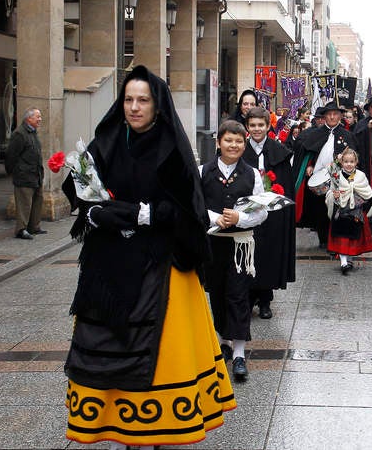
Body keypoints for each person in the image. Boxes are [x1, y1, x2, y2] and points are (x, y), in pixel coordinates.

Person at [62, 65, 235, 448]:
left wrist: (147, 214)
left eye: (143, 100)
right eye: (128, 99)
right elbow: (77, 188)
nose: (134, 107)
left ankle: (156, 433)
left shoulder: (171, 149)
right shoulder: (105, 140)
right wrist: (93, 211)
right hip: (108, 268)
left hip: (161, 267)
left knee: (160, 358)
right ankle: (122, 430)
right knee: (106, 349)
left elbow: (189, 210)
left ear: (157, 106)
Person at [200, 119, 268, 383]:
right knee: (216, 294)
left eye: (239, 141)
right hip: (212, 244)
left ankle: (239, 354)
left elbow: (261, 212)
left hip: (241, 246)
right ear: (219, 142)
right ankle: (223, 341)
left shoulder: (252, 174)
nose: (234, 145)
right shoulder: (202, 170)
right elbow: (194, 205)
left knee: (238, 297)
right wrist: (214, 217)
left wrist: (240, 218)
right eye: (228, 140)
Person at [242, 107, 296, 319]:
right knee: (249, 252)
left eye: (261, 125)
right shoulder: (240, 150)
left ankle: (265, 300)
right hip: (247, 211)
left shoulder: (279, 152)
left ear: (267, 126)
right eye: (253, 125)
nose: (257, 129)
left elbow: (286, 184)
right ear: (247, 127)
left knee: (269, 254)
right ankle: (248, 296)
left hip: (272, 213)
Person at [292, 101, 358, 248]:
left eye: (335, 114)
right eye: (329, 114)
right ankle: (323, 240)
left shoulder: (347, 135)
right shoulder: (315, 134)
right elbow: (308, 153)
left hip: (339, 180)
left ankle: (335, 240)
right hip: (318, 179)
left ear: (340, 116)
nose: (332, 117)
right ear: (324, 117)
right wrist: (309, 165)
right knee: (320, 210)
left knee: (337, 210)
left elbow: (354, 156)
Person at [326, 148, 372, 275]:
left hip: (356, 211)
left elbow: (367, 191)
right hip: (341, 211)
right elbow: (330, 191)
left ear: (356, 162)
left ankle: (349, 260)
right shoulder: (336, 175)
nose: (349, 164)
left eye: (352, 161)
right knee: (342, 237)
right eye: (346, 161)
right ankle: (343, 262)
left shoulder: (361, 176)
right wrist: (334, 195)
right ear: (341, 162)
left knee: (353, 238)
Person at [5, 107, 46, 240]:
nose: (40, 119)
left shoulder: (32, 132)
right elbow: (11, 155)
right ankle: (21, 229)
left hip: (35, 174)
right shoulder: (20, 134)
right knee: (25, 203)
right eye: (37, 117)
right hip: (24, 175)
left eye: (40, 117)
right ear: (29, 118)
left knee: (37, 200)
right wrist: (13, 172)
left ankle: (34, 226)